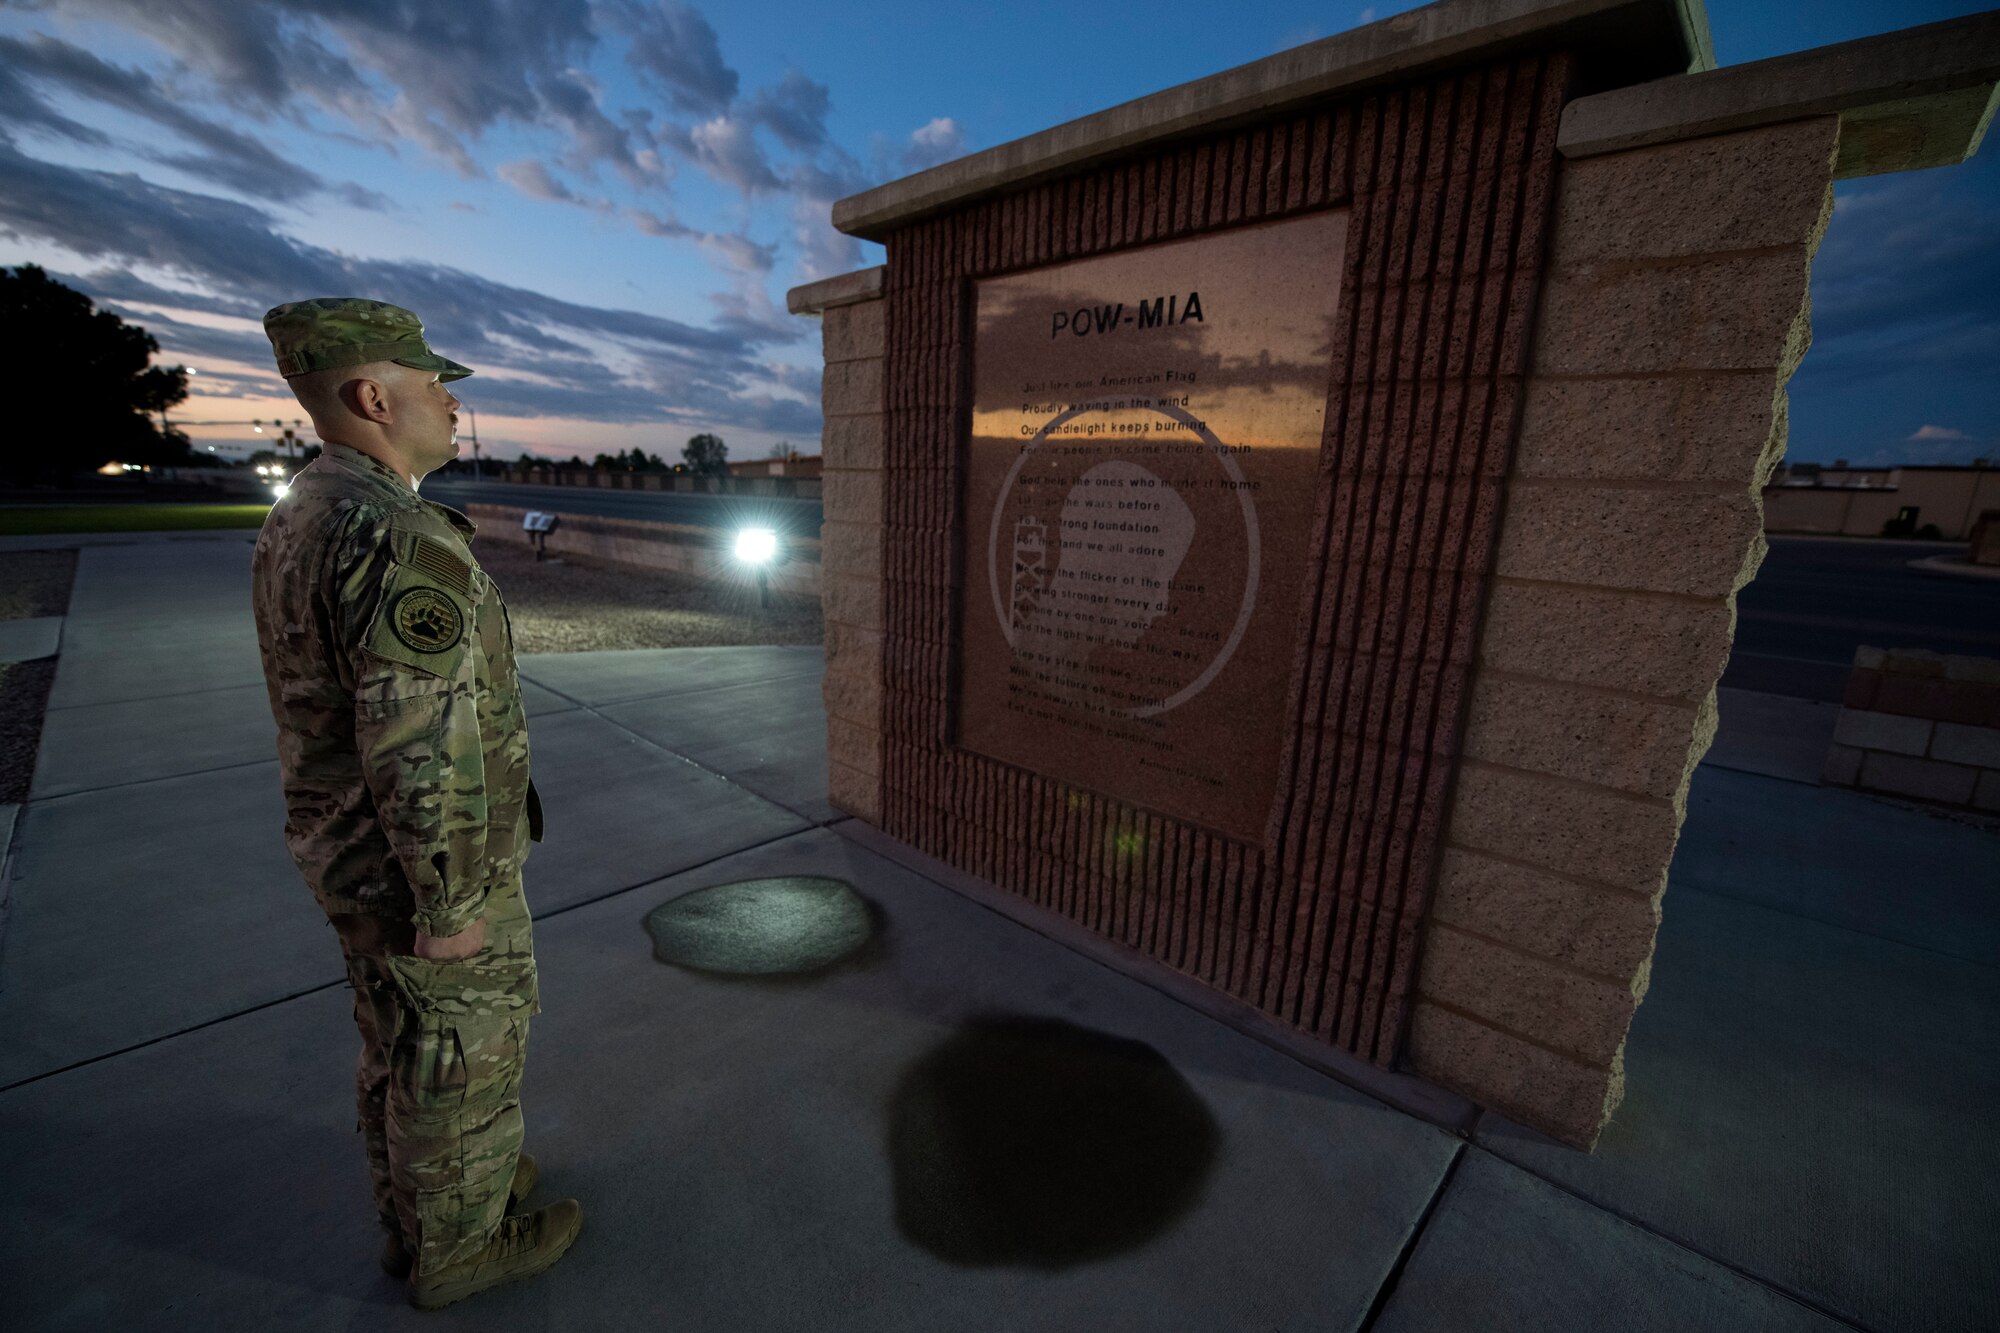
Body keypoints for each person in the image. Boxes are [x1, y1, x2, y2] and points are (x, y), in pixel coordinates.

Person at [250, 297, 581, 1309]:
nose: (447, 396)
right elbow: (419, 743)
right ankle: (462, 1246)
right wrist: (448, 906)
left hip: (349, 852)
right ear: (370, 395)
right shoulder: (389, 537)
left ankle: (424, 1211)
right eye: (429, 378)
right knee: (457, 1055)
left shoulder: (308, 507)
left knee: (399, 1039)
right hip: (414, 871)